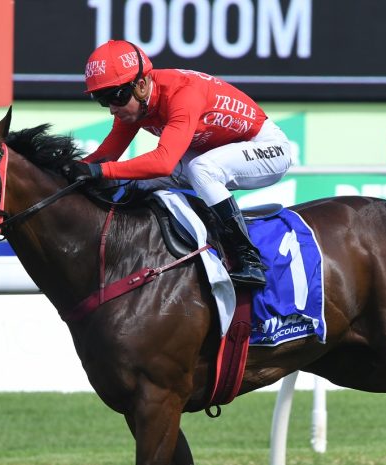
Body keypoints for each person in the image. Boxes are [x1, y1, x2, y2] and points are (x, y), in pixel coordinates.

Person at [63, 39, 293, 288]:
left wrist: (98, 171)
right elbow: (106, 156)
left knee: (201, 170)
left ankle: (250, 260)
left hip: (268, 148)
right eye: (102, 100)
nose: (111, 109)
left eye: (115, 97)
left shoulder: (182, 93)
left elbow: (163, 162)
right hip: (215, 152)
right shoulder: (134, 103)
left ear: (141, 85)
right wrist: (64, 170)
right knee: (137, 184)